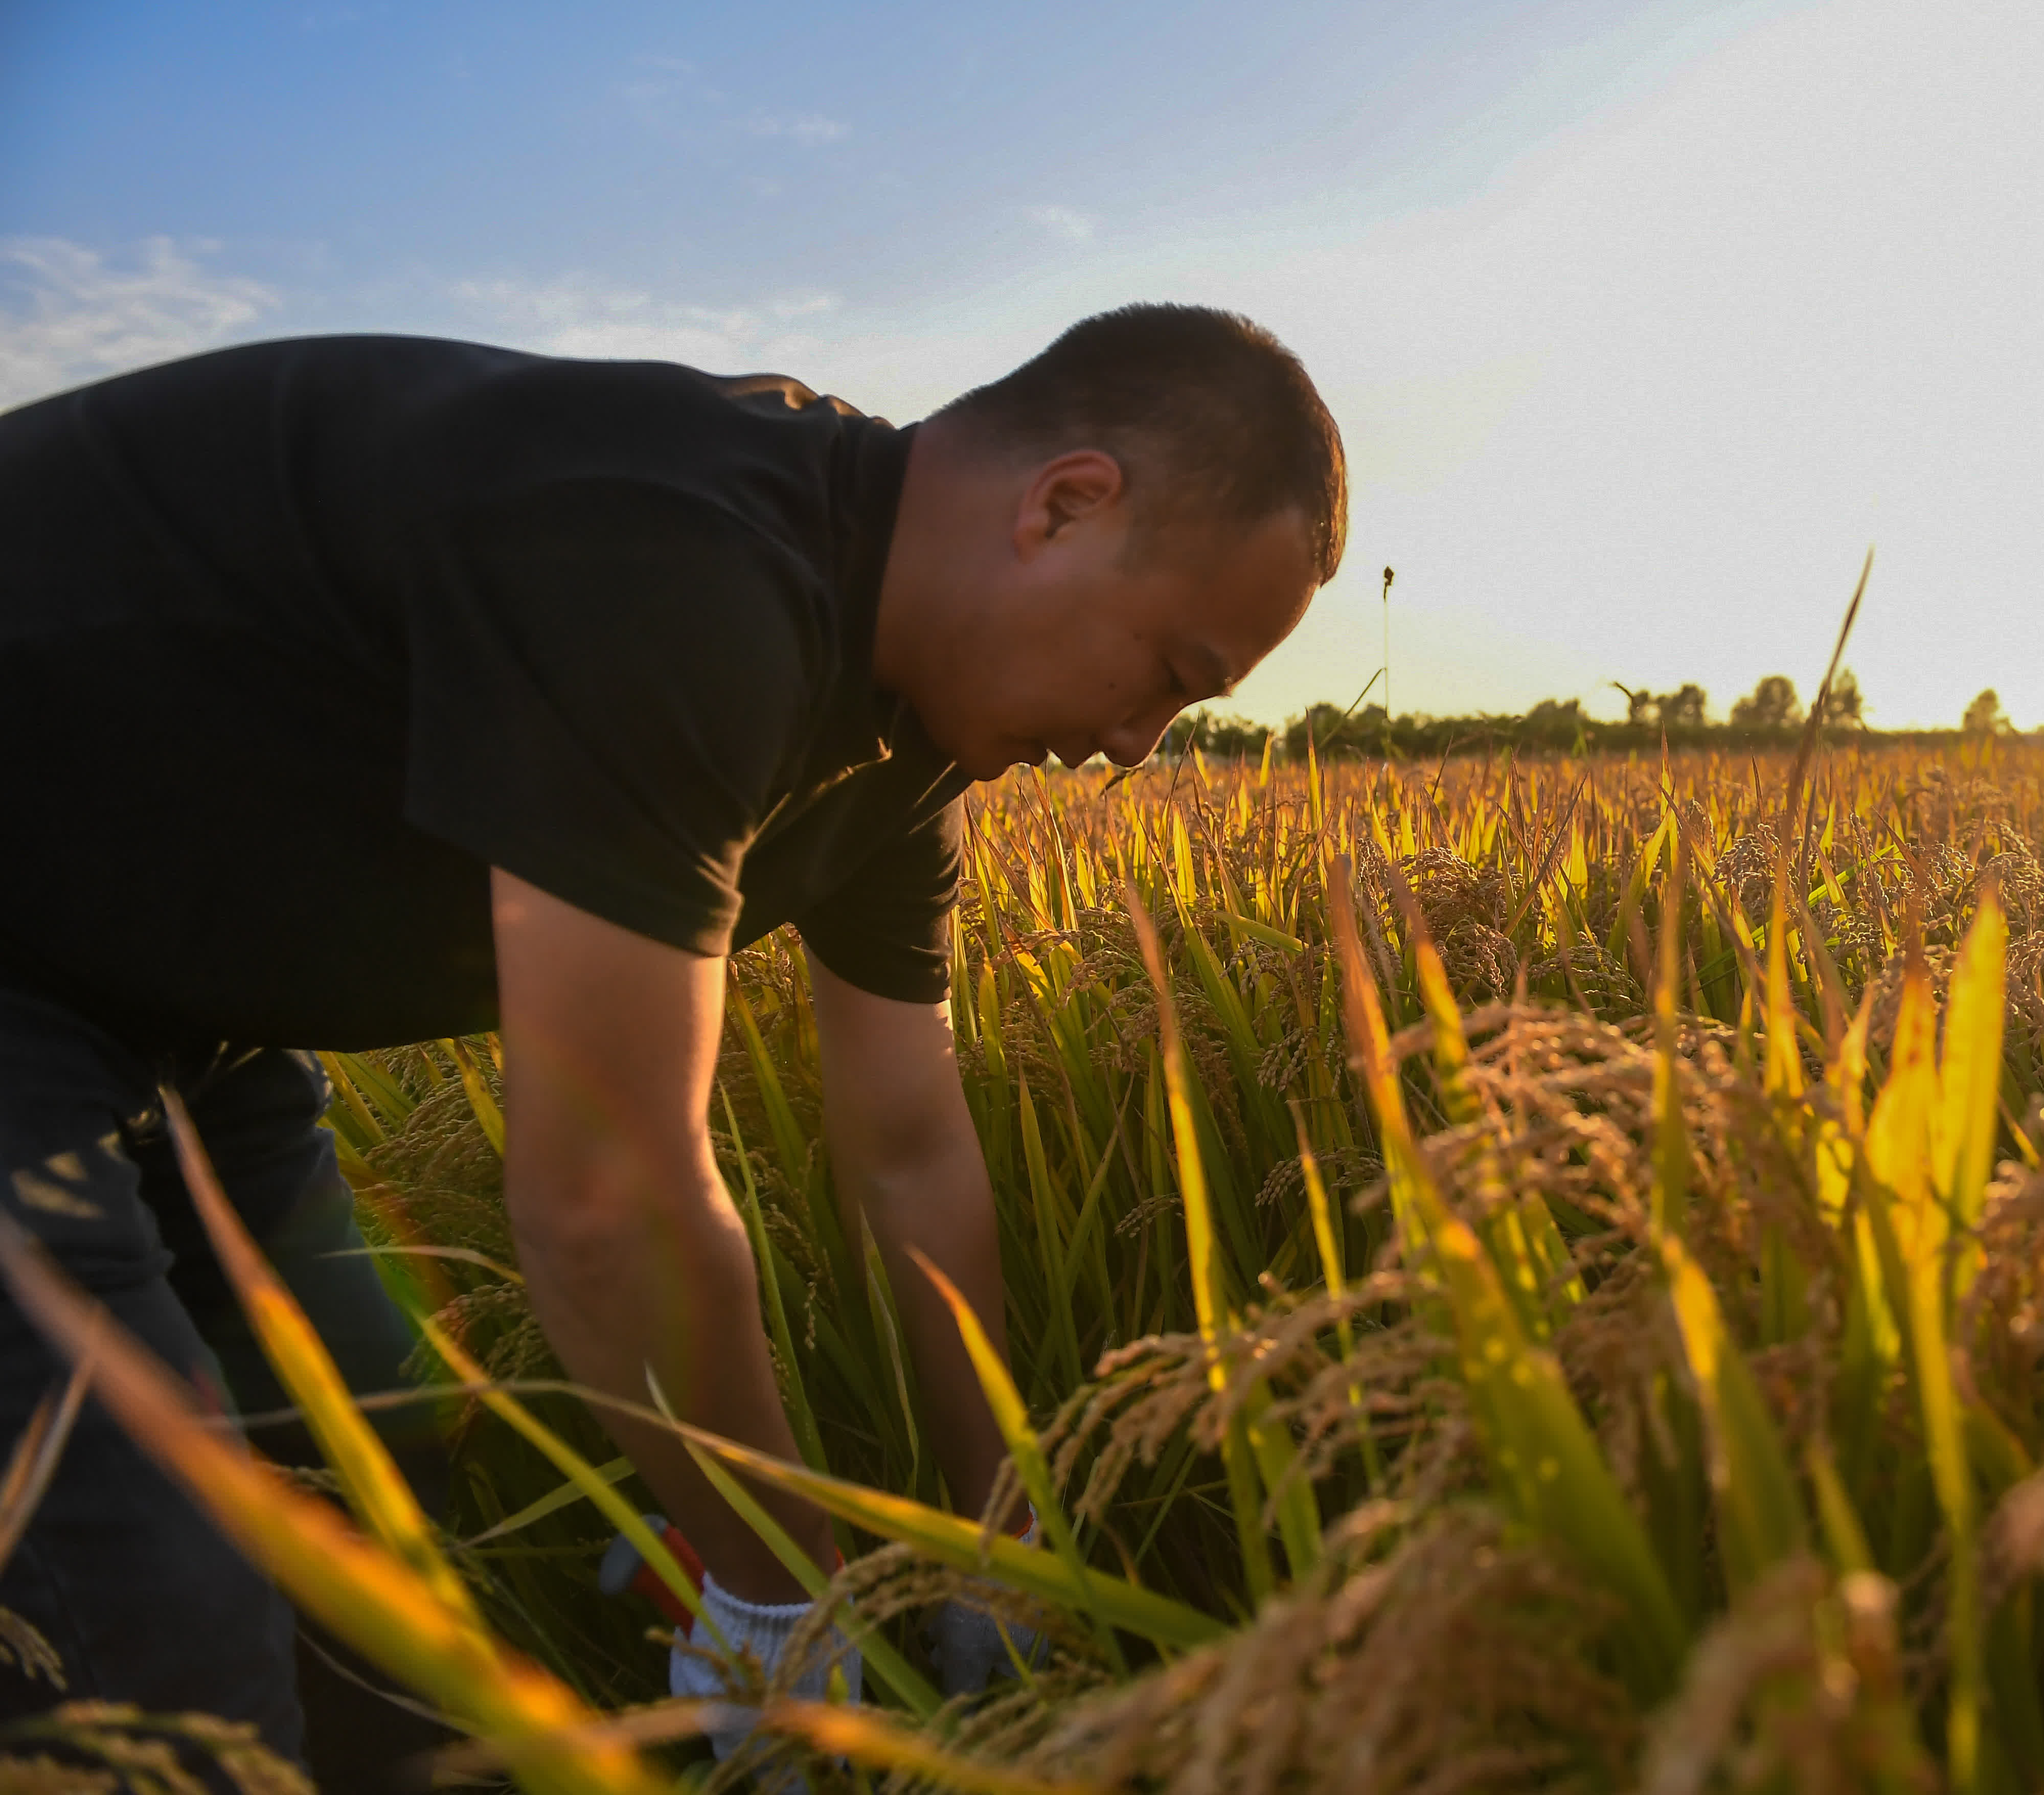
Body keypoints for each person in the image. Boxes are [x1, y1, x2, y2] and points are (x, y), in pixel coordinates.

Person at [0, 305, 1345, 1774]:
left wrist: (995, 1545)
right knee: (146, 1624)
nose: (1141, 745)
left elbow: (909, 1148)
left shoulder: (908, 752)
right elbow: (602, 1197)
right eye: (1173, 669)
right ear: (1066, 504)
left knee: (372, 1491)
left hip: (180, 1009)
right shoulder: (680, 559)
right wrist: (778, 1592)